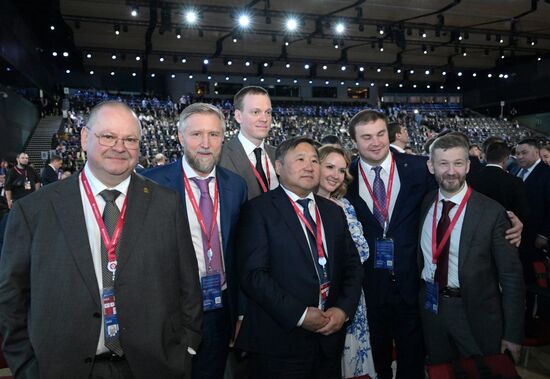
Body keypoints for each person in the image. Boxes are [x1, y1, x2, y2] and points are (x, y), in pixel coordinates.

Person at [0, 101, 202, 379]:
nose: (119, 147)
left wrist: (187, 347)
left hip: (153, 366)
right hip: (62, 369)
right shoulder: (34, 210)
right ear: (84, 138)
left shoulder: (166, 203)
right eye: (108, 136)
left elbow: (188, 284)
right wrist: (26, 366)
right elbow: (11, 297)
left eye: (130, 139)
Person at [345, 110, 522, 379]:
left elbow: (456, 187)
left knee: (417, 366)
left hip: (415, 292)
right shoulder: (343, 177)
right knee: (380, 364)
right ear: (354, 142)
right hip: (370, 290)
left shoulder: (417, 167)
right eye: (366, 137)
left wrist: (510, 220)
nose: (376, 142)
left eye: (381, 134)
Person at [236, 137, 363, 379]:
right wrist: (301, 315)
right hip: (280, 342)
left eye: (315, 160)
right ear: (278, 167)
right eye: (300, 159)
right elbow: (253, 275)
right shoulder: (258, 210)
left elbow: (353, 267)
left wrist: (343, 310)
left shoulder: (333, 212)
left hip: (329, 338)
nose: (309, 166)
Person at [143, 103, 248, 379]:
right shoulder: (149, 184)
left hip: (219, 307)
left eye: (213, 135)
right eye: (196, 134)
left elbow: (239, 252)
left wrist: (240, 312)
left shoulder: (236, 185)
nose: (205, 143)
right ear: (179, 137)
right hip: (171, 309)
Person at [418, 133, 524, 364]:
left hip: (475, 313)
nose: (450, 171)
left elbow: (511, 277)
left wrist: (513, 334)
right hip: (431, 307)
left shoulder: (492, 212)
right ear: (431, 166)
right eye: (443, 163)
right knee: (439, 369)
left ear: (468, 165)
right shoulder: (426, 203)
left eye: (458, 163)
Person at [317, 145, 376, 379]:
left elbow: (362, 251)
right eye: (329, 167)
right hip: (314, 298)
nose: (335, 175)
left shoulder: (345, 205)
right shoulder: (298, 205)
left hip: (348, 297)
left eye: (341, 170)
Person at [220, 86, 278, 200]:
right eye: (256, 112)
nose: (264, 119)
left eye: (268, 112)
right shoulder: (220, 157)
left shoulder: (279, 155)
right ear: (238, 116)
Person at [514, 139, 550, 287]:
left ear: (536, 152)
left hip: (536, 238)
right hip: (518, 237)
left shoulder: (546, 173)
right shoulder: (515, 171)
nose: (520, 156)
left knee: (537, 280)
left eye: (524, 153)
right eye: (517, 153)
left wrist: (544, 234)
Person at [468, 141, 529, 225]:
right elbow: (521, 213)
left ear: (485, 157)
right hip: (504, 230)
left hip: (475, 227)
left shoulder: (472, 178)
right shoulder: (515, 182)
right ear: (505, 159)